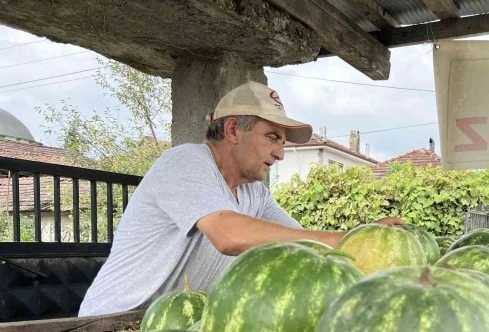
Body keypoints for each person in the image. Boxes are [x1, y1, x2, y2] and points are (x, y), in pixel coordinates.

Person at [78, 81, 402, 317]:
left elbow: (301, 245)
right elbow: (228, 234)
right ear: (233, 130)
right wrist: (344, 239)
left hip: (175, 329)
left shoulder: (254, 193)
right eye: (273, 137)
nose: (280, 153)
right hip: (111, 326)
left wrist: (367, 237)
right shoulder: (184, 162)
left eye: (283, 143)